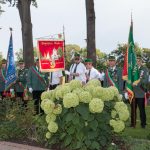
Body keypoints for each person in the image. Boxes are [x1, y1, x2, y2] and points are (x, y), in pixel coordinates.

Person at [131, 55, 149, 128]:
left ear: (141, 61)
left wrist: (137, 83)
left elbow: (146, 80)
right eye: (136, 61)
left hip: (140, 92)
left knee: (141, 109)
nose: (137, 62)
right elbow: (129, 79)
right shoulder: (132, 69)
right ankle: (133, 123)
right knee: (133, 109)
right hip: (132, 92)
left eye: (139, 60)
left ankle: (143, 124)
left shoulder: (145, 69)